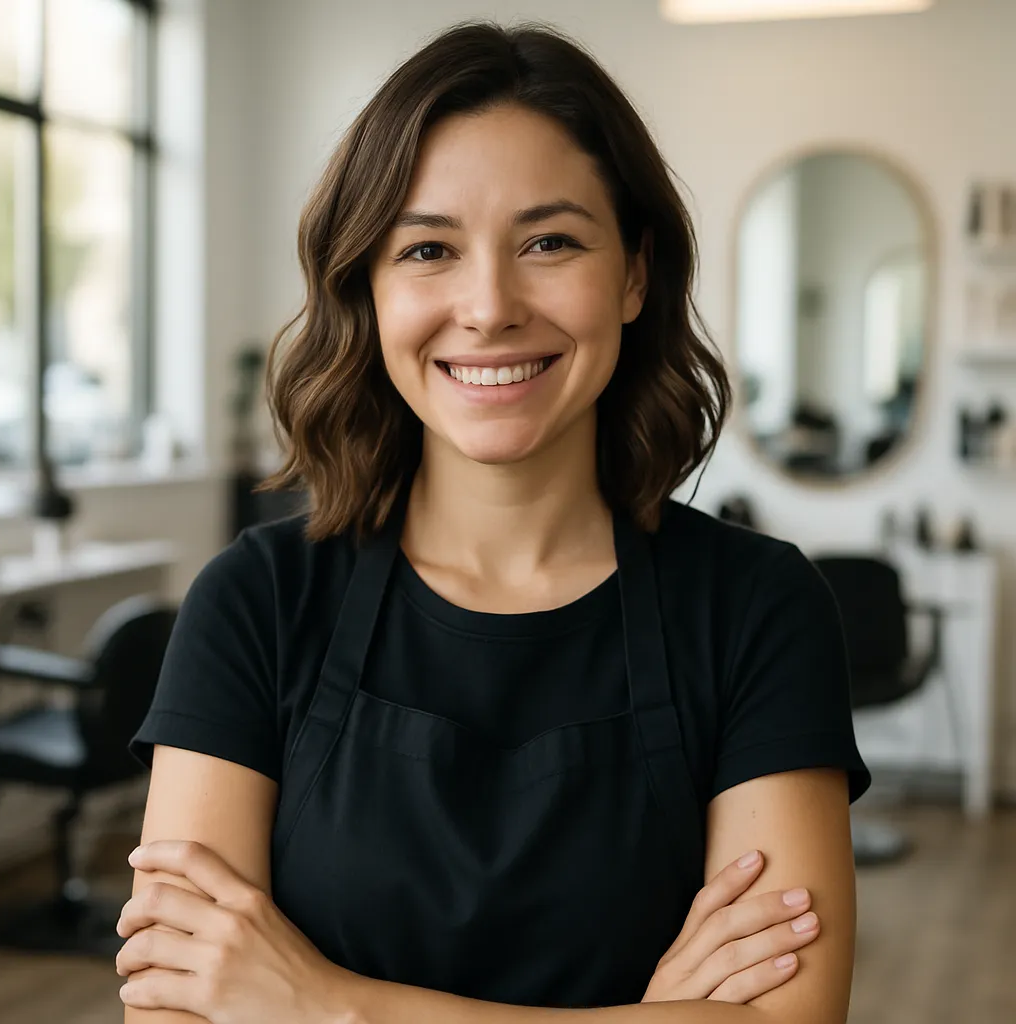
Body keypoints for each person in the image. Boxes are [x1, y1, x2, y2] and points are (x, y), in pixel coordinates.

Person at [119, 20, 870, 1024]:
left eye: (549, 242)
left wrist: (329, 1007)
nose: (487, 306)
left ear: (635, 272)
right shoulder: (256, 603)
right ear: (370, 286)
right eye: (427, 248)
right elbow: (178, 1012)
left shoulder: (756, 608)